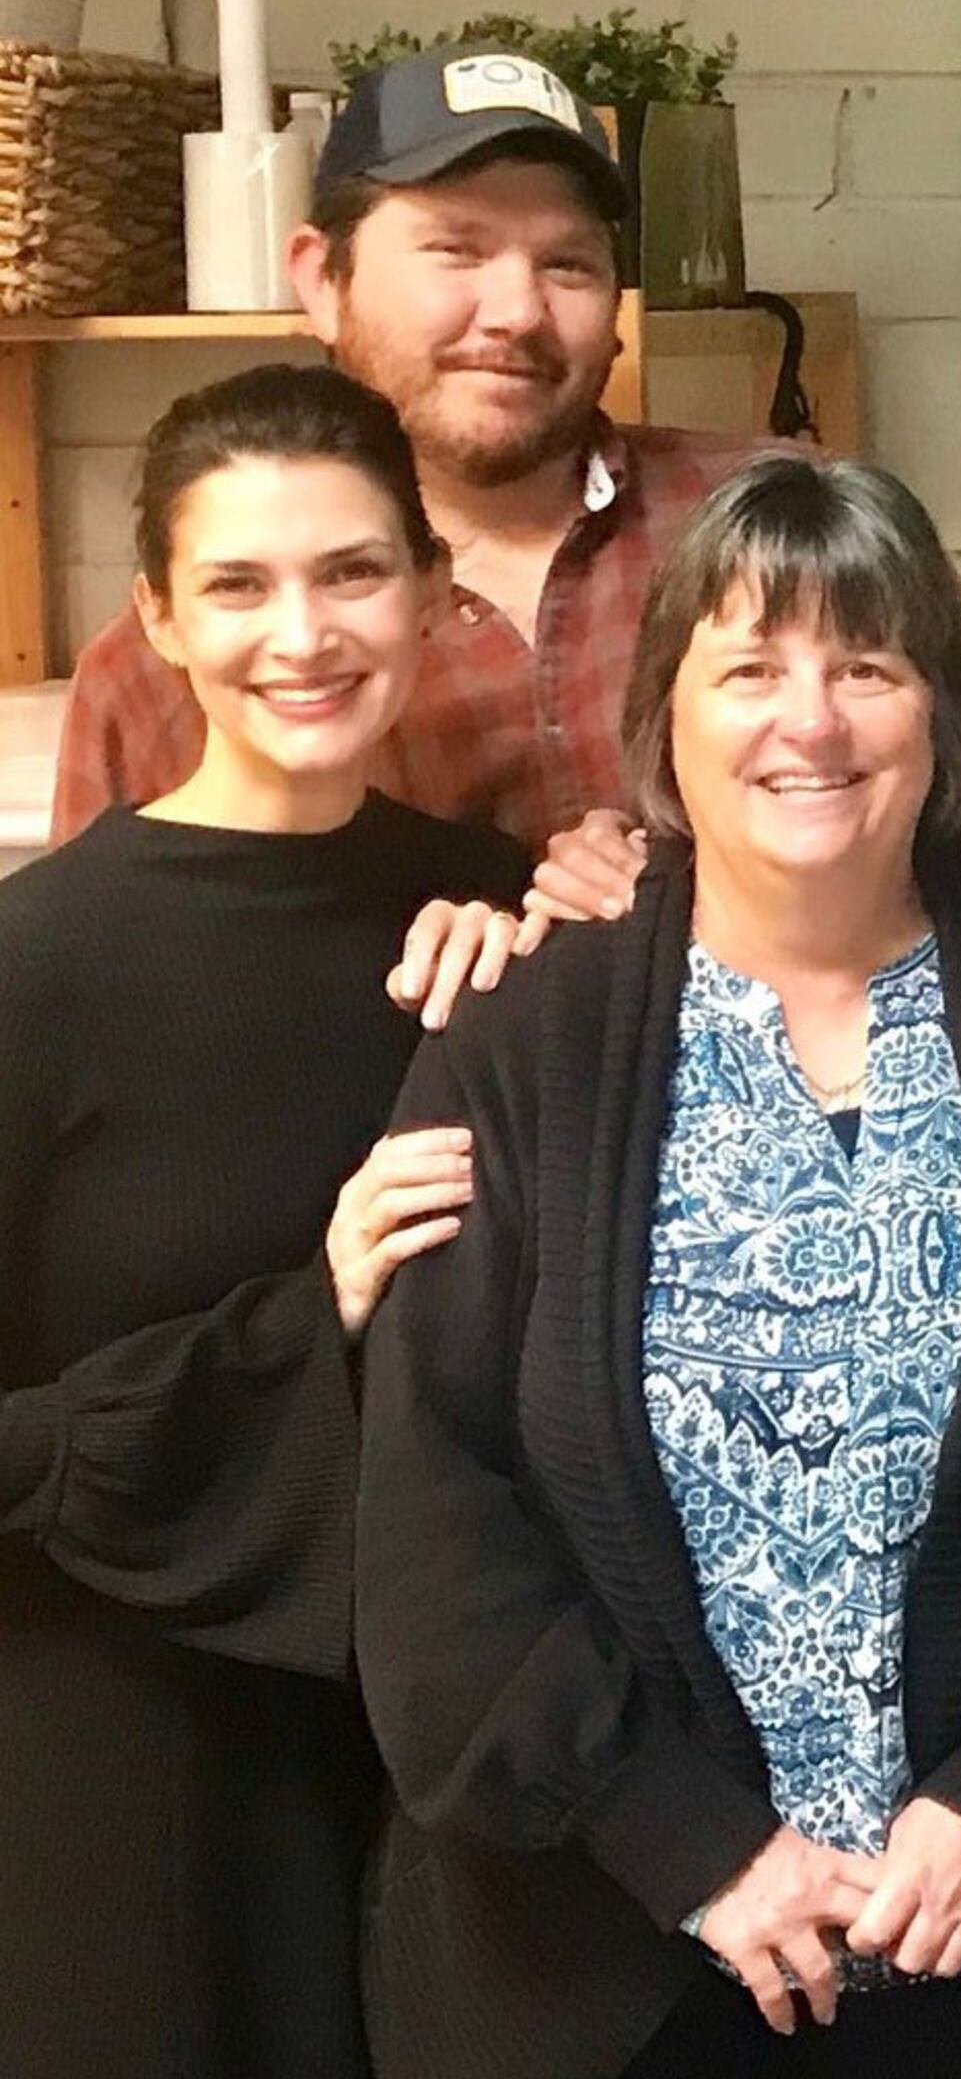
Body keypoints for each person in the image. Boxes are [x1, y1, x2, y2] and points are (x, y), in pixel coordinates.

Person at [349, 456, 961, 2079]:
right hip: (604, 1968)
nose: (811, 721)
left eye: (869, 665)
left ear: (942, 716)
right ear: (668, 718)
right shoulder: (527, 1042)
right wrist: (683, 1838)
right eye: (750, 668)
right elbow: (437, 1523)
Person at [0, 365, 527, 2078]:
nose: (302, 633)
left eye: (353, 573)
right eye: (237, 583)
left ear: (434, 590)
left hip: (447, 1755)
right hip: (129, 1763)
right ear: (151, 614)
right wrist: (320, 1312)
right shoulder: (39, 968)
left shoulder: (497, 924)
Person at [54, 44, 961, 856]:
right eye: (456, 251)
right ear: (321, 280)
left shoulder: (795, 523)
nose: (515, 314)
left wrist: (693, 894)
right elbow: (118, 982)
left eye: (567, 263)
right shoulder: (178, 657)